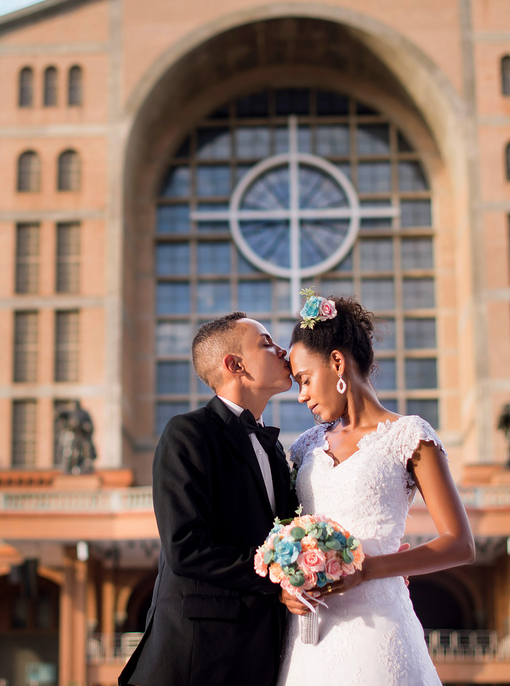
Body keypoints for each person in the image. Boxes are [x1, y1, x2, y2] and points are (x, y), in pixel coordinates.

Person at [277, 294, 475, 685]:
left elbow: (460, 544)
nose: (301, 394)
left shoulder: (410, 437)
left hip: (380, 630)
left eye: (304, 379)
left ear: (337, 363)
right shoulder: (304, 447)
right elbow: (291, 530)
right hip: (310, 637)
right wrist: (289, 583)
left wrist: (370, 570)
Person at [119, 312, 298, 686]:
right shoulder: (188, 433)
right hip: (196, 657)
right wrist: (278, 578)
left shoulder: (276, 451)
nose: (284, 350)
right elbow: (185, 548)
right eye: (266, 343)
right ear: (235, 365)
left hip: (262, 657)